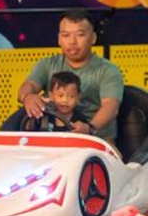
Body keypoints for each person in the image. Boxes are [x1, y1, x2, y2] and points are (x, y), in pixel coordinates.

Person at [16, 8, 124, 140]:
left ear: (93, 38)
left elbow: (110, 106)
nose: (72, 41)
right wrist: (28, 97)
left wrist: (89, 128)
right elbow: (29, 86)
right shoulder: (47, 64)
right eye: (66, 35)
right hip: (52, 137)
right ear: (59, 39)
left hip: (96, 139)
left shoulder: (108, 70)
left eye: (80, 35)